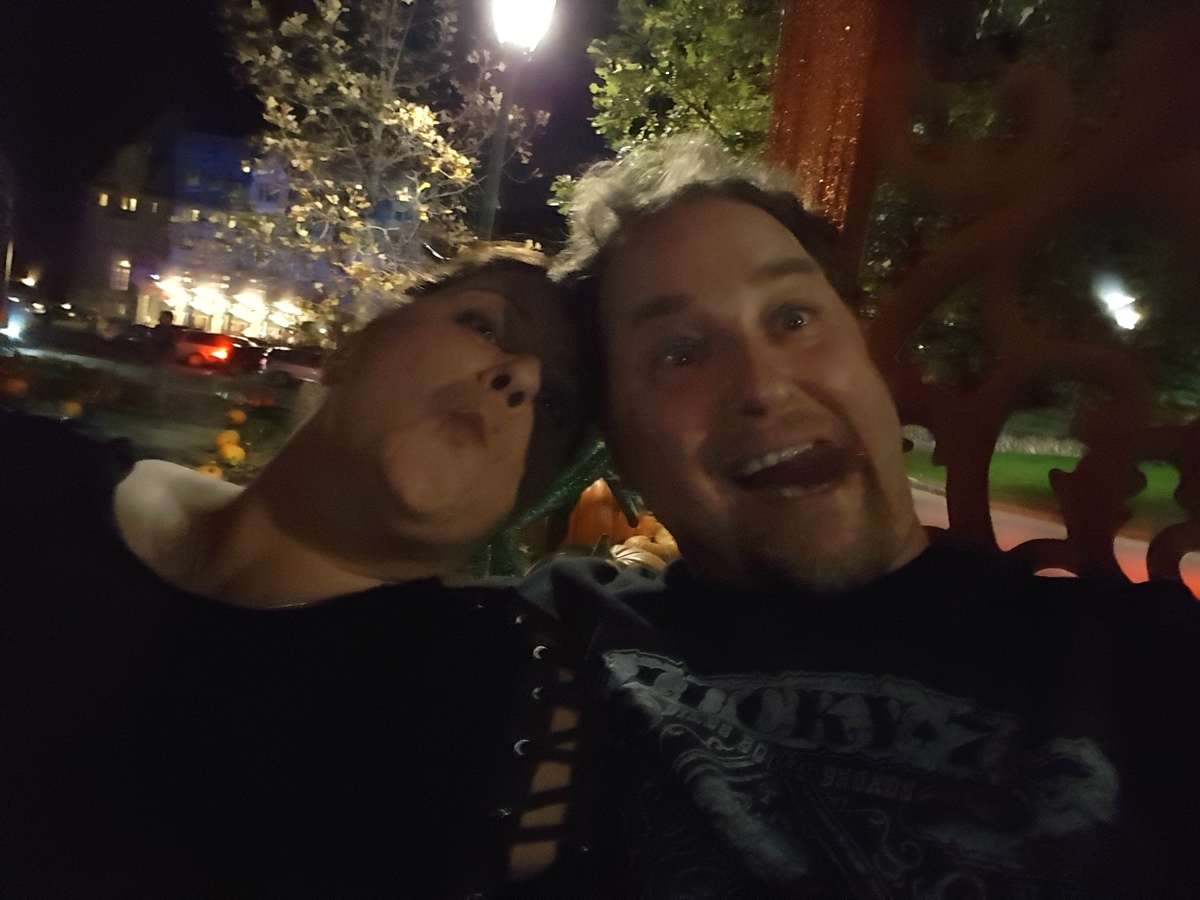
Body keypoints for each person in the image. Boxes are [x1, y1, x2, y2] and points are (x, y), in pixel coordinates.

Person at [524, 134, 1200, 897]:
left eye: (793, 317)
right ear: (618, 449)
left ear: (868, 356)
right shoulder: (556, 636)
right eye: (679, 353)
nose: (766, 386)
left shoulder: (1136, 659)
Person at [0, 244, 591, 898]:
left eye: (556, 402)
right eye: (484, 326)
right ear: (352, 346)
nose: (522, 377)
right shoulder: (31, 479)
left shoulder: (481, 720)